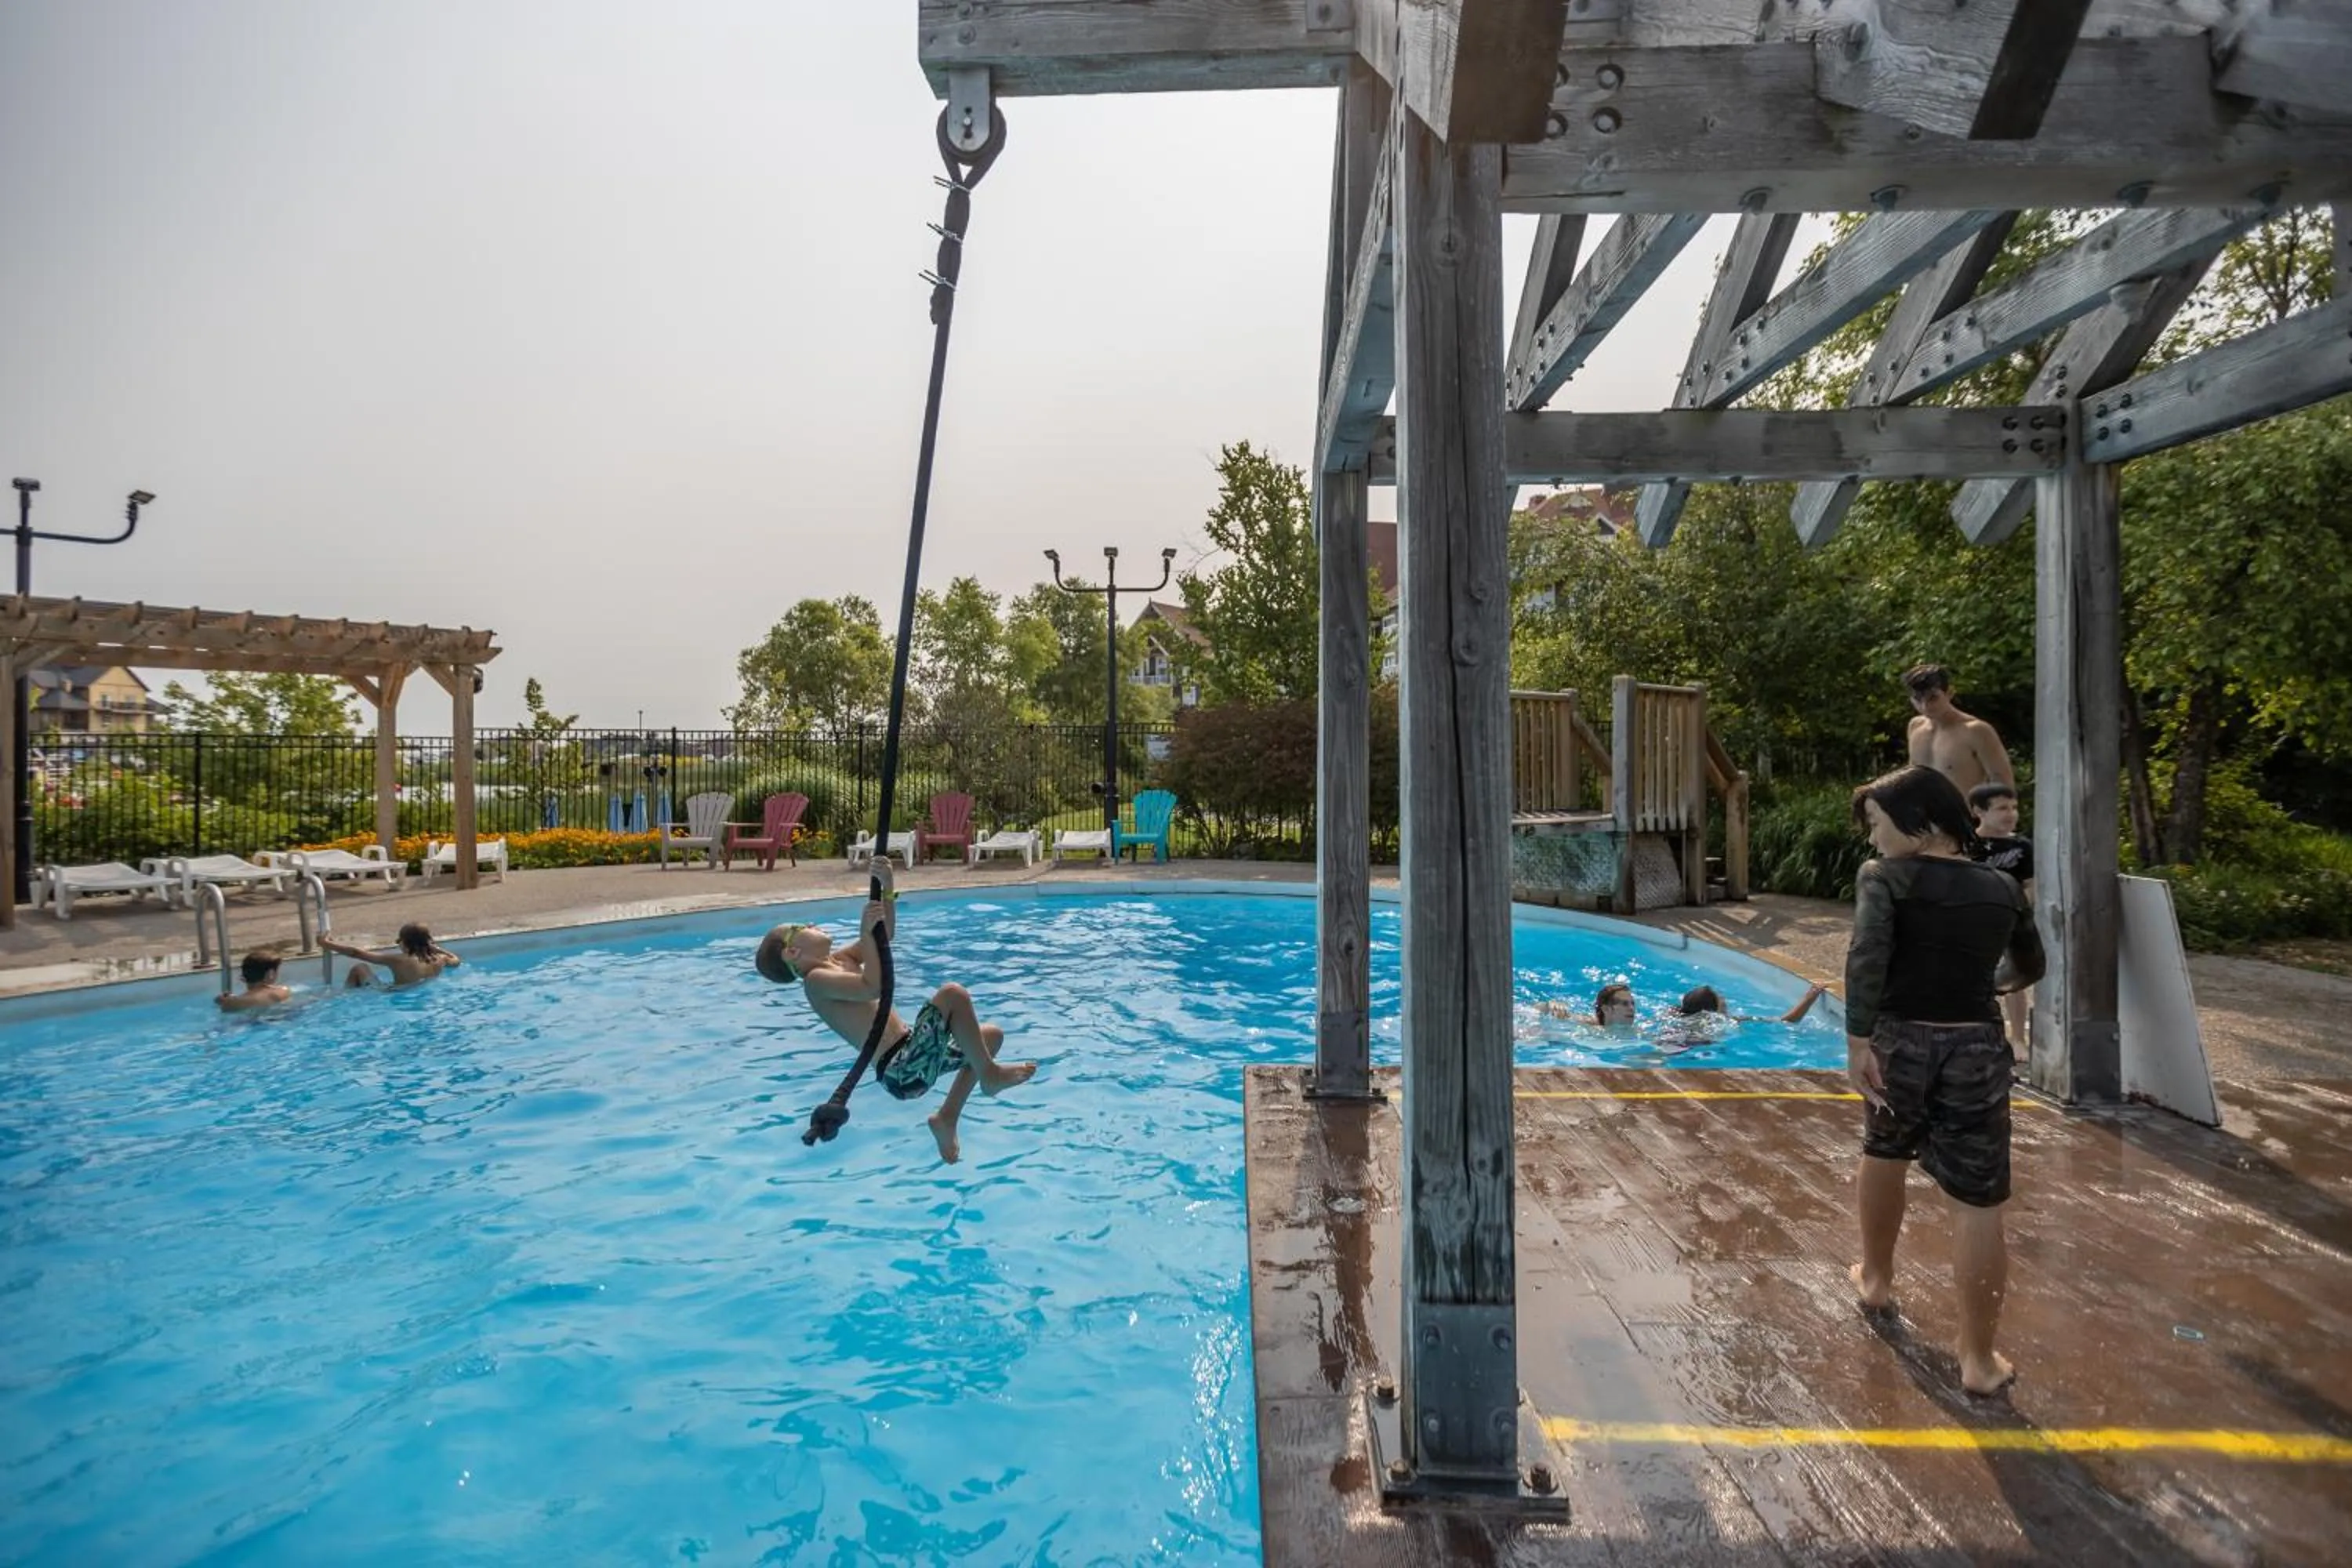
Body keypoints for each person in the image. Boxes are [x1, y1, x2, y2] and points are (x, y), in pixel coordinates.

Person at [1845, 764, 2045, 1398]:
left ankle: (1876, 1280)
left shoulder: (1885, 879)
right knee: (1979, 1203)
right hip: (1976, 1048)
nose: (1873, 841)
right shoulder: (2002, 888)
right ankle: (1979, 1360)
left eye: (1878, 825)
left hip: (1898, 1043)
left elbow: (1867, 958)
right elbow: (2031, 963)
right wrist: (1987, 986)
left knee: (1884, 1149)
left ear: (1922, 823)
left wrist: (1857, 1041)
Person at [754, 887, 1035, 1164]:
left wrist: (886, 890)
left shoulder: (842, 960)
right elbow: (873, 986)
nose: (811, 924)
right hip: (901, 1069)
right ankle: (990, 1076)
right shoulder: (816, 982)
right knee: (953, 994)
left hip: (914, 1055)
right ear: (792, 952)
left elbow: (884, 935)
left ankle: (947, 1117)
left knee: (989, 1038)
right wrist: (865, 932)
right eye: (801, 926)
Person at [1969, 782, 2035, 1055]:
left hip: (2011, 918)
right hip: (1974, 919)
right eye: (2002, 808)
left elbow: (2031, 885)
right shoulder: (1966, 844)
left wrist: (2020, 909)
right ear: (1979, 812)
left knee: (2014, 978)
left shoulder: (2021, 847)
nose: (2011, 814)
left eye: (2014, 808)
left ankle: (2018, 1038)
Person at [1903, 664, 2015, 797]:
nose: (1925, 706)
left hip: (1964, 815)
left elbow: (2004, 785)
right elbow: (1912, 780)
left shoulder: (1976, 730)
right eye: (1917, 699)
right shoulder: (1915, 727)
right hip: (1922, 815)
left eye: (1933, 698)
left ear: (1949, 693)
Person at [327, 923, 463, 988]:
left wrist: (325, 943)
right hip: (417, 992)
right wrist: (437, 949)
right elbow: (456, 961)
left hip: (393, 994)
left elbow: (356, 953)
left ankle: (345, 995)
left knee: (360, 968)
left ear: (404, 943)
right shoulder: (440, 960)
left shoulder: (399, 960)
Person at [1675, 983, 1828, 1025]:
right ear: (1714, 1010)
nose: (1723, 999)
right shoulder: (1728, 1021)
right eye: (1719, 997)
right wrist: (1809, 999)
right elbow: (1787, 1021)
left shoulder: (1677, 1014)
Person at [216, 950, 294, 1013]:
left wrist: (222, 1002)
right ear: (271, 974)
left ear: (243, 977)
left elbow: (224, 1011)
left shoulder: (235, 1003)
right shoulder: (284, 991)